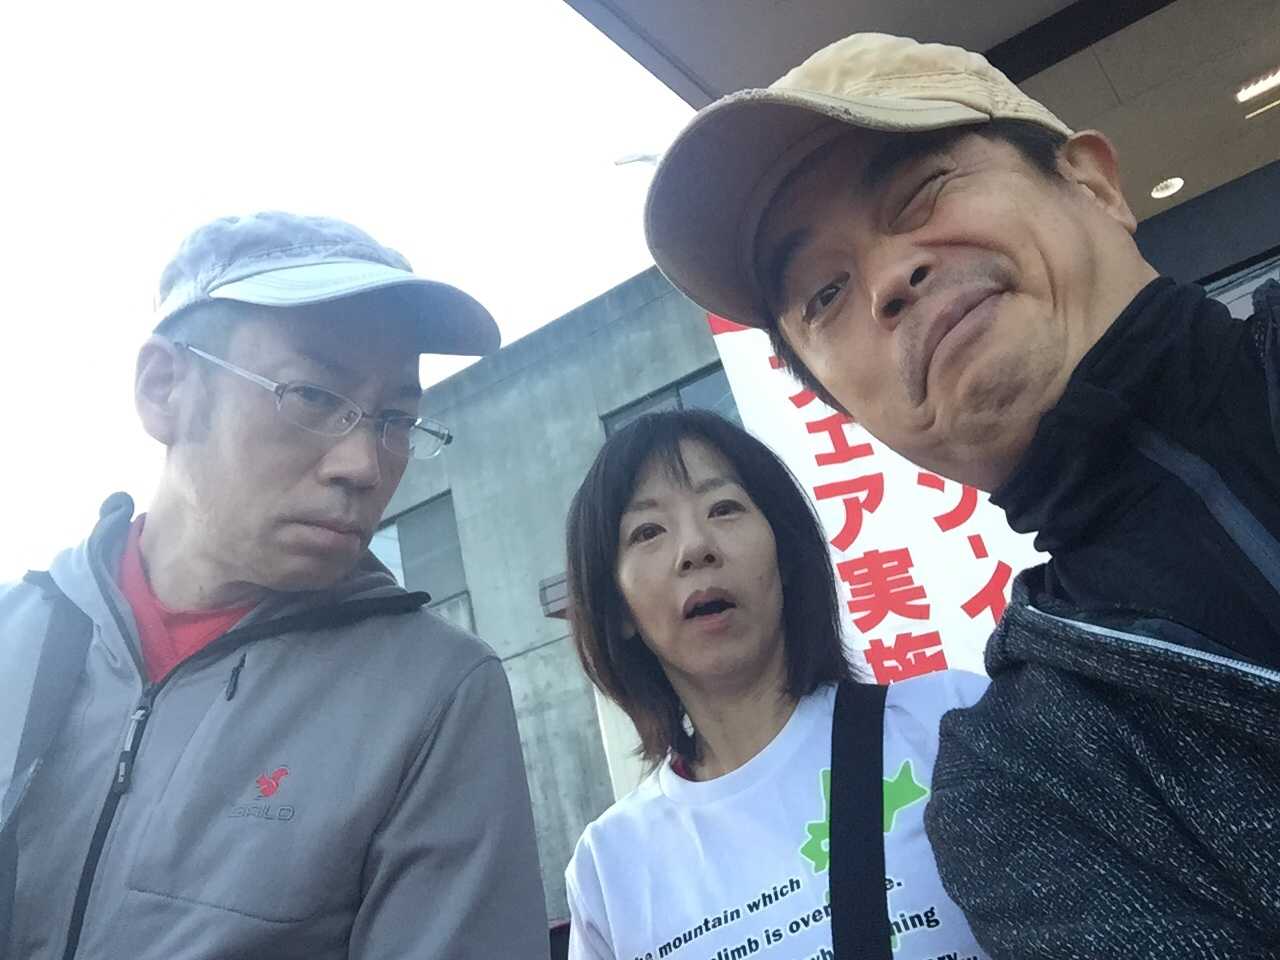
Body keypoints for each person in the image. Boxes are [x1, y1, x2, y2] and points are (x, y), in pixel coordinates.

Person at [642, 31, 1280, 959]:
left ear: (1094, 183)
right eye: (824, 294)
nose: (888, 281)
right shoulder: (1024, 785)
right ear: (850, 411)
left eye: (924, 192)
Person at [0, 211, 549, 960]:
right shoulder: (18, 638)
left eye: (395, 419)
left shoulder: (432, 695)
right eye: (314, 396)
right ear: (165, 388)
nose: (363, 465)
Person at [562, 409, 992, 960]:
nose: (695, 547)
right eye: (647, 532)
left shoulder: (949, 724)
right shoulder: (606, 871)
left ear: (784, 554)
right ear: (618, 607)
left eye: (724, 508)